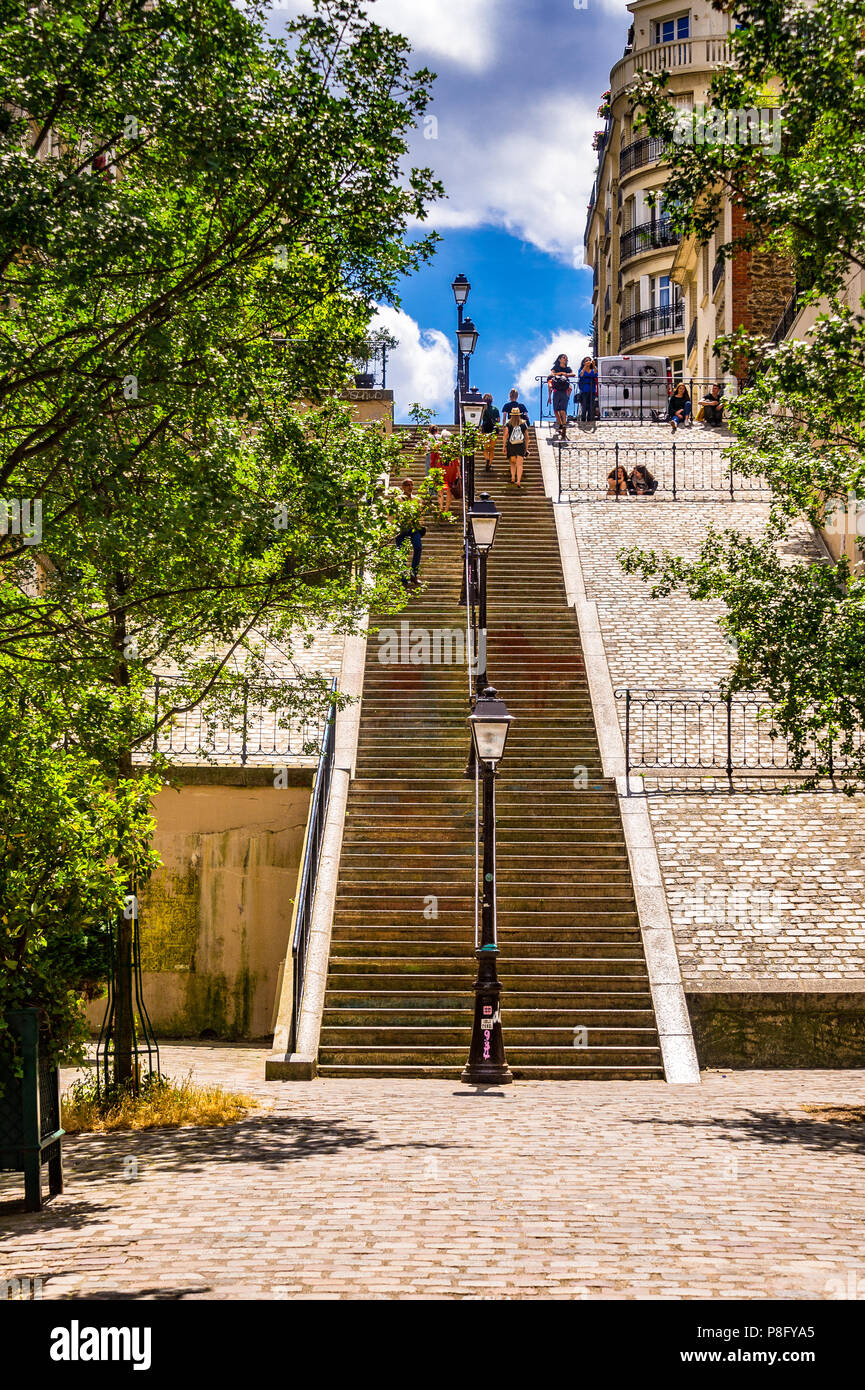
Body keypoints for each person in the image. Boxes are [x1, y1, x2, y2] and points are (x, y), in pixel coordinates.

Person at [394, 478, 426, 584]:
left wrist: (419, 525)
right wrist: (393, 528)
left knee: (418, 547)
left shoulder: (417, 500)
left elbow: (420, 514)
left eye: (412, 485)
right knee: (401, 552)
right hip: (401, 528)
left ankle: (413, 575)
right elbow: (392, 515)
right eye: (408, 485)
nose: (410, 487)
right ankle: (403, 578)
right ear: (403, 487)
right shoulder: (397, 499)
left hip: (413, 528)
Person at [547, 354, 575, 437]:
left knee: (561, 409)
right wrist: (561, 373)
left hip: (563, 390)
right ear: (559, 359)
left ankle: (563, 425)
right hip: (557, 390)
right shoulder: (555, 368)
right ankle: (561, 424)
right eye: (563, 358)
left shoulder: (568, 368)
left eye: (566, 358)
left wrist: (564, 374)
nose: (565, 359)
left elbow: (573, 374)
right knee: (556, 410)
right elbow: (551, 374)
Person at [505, 407, 527, 486]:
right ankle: (518, 481)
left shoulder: (508, 424)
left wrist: (503, 446)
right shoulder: (523, 423)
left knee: (512, 463)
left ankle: (513, 478)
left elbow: (505, 435)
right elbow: (527, 437)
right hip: (521, 445)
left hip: (511, 445)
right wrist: (526, 448)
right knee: (520, 464)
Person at [479, 393, 500, 472]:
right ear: (491, 401)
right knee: (491, 449)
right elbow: (498, 420)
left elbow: (480, 419)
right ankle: (490, 464)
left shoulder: (483, 409)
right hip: (494, 429)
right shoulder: (495, 409)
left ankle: (487, 459)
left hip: (485, 428)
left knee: (485, 448)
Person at [577, 356, 598, 423]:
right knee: (584, 404)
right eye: (586, 360)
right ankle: (583, 419)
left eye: (589, 360)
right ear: (583, 362)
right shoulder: (581, 369)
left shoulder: (592, 369)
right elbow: (580, 375)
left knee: (591, 405)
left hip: (592, 389)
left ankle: (589, 419)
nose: (588, 361)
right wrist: (585, 367)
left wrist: (594, 365)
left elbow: (596, 374)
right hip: (584, 389)